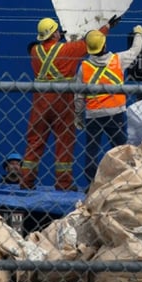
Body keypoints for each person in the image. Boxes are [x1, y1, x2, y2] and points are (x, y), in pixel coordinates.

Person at [20, 14, 119, 190]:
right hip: (62, 100)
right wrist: (107, 27)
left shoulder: (35, 51)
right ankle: (63, 184)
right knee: (64, 141)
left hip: (40, 101)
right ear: (55, 34)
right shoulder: (67, 50)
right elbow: (89, 42)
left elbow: (52, 52)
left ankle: (26, 181)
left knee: (35, 140)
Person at [77, 25, 142, 187]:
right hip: (116, 114)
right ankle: (125, 180)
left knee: (92, 150)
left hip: (93, 115)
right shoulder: (117, 60)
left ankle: (92, 184)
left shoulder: (84, 67)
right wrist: (138, 34)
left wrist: (78, 116)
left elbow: (78, 96)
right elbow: (135, 50)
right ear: (104, 44)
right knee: (121, 149)